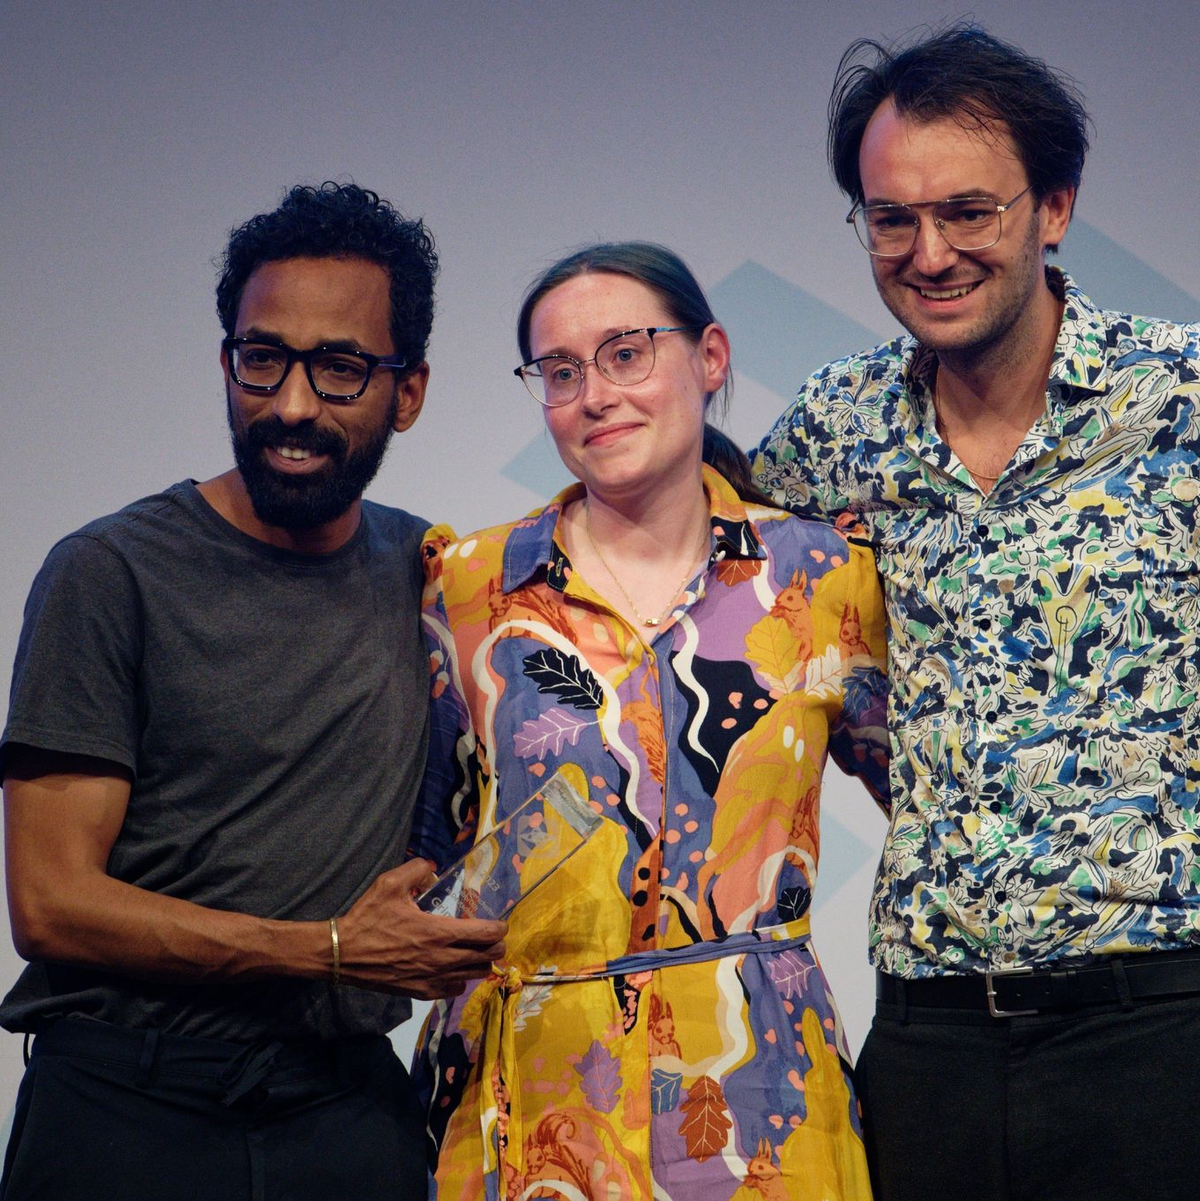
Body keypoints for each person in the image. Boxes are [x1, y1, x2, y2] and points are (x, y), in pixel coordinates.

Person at [752, 24, 1200, 1201]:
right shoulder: (833, 432)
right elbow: (704, 566)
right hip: (933, 1035)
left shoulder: (1183, 399)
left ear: (1054, 207)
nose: (929, 251)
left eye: (969, 212)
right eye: (891, 218)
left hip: (1160, 1019)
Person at [0, 181, 505, 1201]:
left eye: (342, 367)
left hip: (344, 1106)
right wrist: (325, 949)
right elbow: (51, 905)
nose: (291, 404)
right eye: (261, 357)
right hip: (125, 1107)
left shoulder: (436, 574)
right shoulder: (110, 571)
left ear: (408, 392)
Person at [412, 242, 890, 1200]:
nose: (596, 393)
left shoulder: (825, 577)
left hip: (761, 1091)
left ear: (710, 359)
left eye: (627, 352)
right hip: (531, 1087)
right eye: (560, 371)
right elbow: (427, 838)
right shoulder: (465, 585)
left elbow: (929, 805)